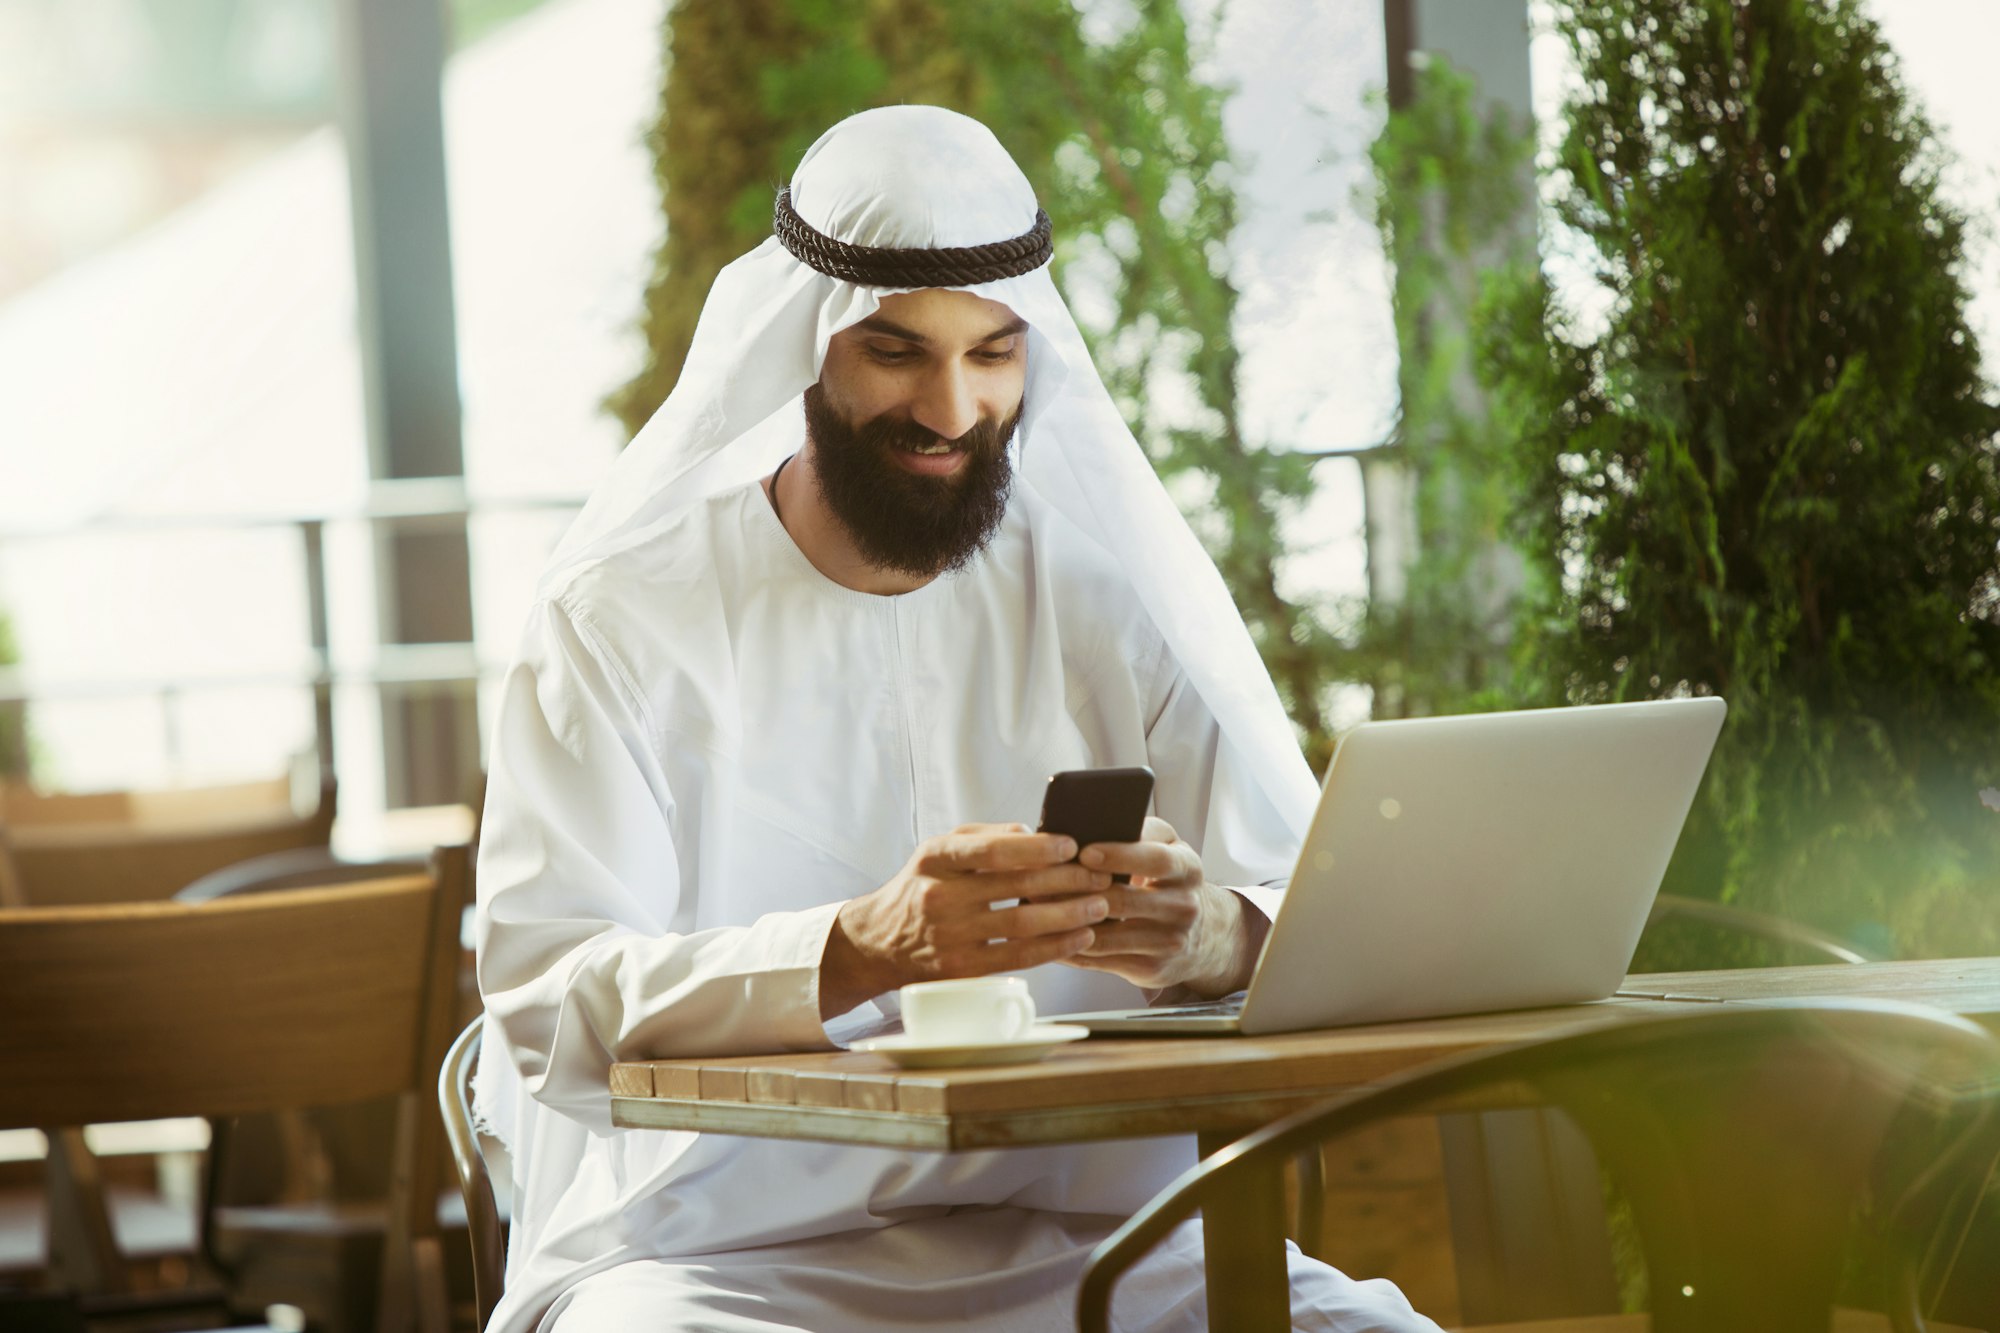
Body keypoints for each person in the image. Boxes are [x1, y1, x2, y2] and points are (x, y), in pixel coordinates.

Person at [475, 105, 1440, 1332]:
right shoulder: (617, 617)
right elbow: (545, 996)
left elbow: (1311, 918)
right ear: (806, 346)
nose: (950, 407)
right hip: (720, 1262)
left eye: (993, 353)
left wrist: (1207, 935)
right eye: (895, 351)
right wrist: (857, 945)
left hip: (1097, 1243)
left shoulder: (1103, 595)